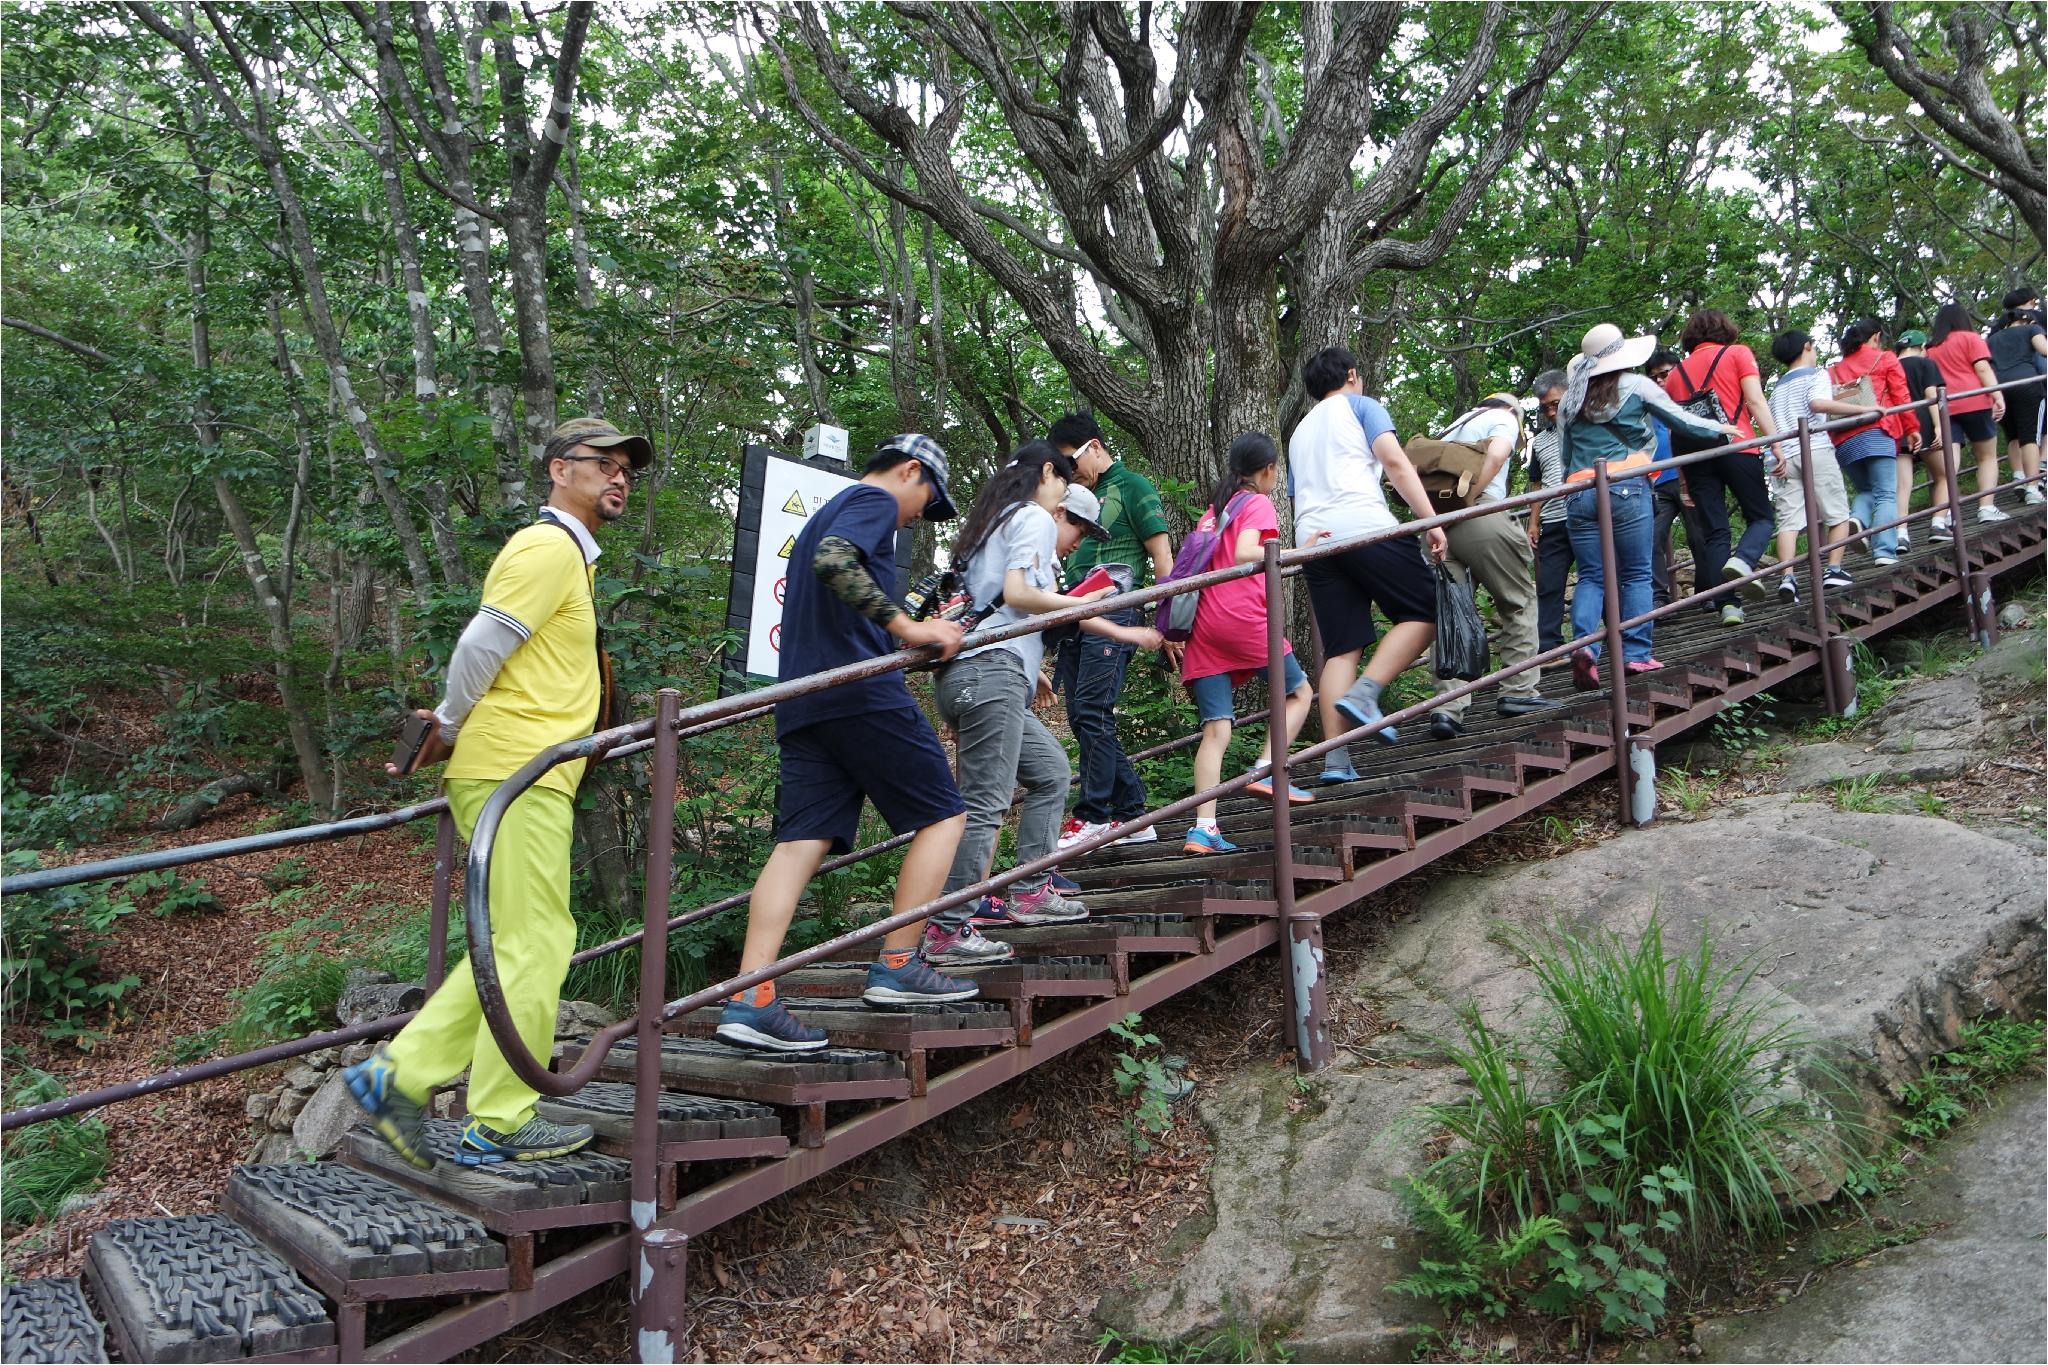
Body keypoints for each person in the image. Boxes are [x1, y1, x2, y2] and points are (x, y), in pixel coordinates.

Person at [345, 416, 654, 1168]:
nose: (618, 476)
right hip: (518, 771)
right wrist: (450, 723)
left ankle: (415, 1081)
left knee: (526, 939)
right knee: (534, 939)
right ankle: (489, 1113)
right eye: (602, 463)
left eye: (626, 469)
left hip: (530, 771)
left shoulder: (571, 559)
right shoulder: (547, 546)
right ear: (558, 469)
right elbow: (483, 641)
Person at [714, 436, 979, 1053]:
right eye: (926, 500)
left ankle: (751, 997)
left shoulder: (822, 513)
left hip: (804, 698)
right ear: (910, 471)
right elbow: (836, 562)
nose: (918, 515)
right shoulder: (871, 501)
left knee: (799, 843)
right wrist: (911, 627)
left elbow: (830, 572)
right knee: (945, 814)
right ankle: (899, 963)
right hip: (859, 692)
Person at [927, 450, 1153, 954]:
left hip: (975, 674)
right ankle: (948, 926)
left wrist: (1035, 670)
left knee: (1051, 772)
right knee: (986, 802)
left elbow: (1001, 605)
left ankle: (1029, 889)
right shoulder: (1030, 515)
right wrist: (1081, 603)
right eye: (1064, 480)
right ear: (1049, 476)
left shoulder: (993, 522)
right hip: (991, 675)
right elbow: (1020, 594)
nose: (1062, 494)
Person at [1289, 346, 1447, 777]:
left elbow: (1293, 495)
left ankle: (1336, 759)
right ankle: (1366, 694)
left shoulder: (1299, 433)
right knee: (1428, 608)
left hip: (1314, 542)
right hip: (1363, 525)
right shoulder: (1361, 406)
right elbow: (1395, 462)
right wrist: (1431, 521)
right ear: (1353, 375)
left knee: (1342, 649)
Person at [1559, 325, 1739, 687]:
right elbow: (1682, 421)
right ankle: (1636, 654)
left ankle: (1584, 648)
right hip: (1627, 486)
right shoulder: (1637, 386)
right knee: (1636, 573)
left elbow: (1565, 456)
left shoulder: (1569, 399)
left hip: (1579, 491)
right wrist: (1724, 429)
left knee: (1593, 575)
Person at [1179, 433, 1316, 852]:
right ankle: (1267, 771)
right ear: (1269, 469)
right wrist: (1296, 552)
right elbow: (1245, 553)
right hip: (1240, 618)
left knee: (1216, 729)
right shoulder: (1256, 502)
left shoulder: (1215, 509)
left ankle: (1204, 827)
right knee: (1300, 693)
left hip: (1202, 626)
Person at [1048, 414, 1174, 849]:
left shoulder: (1133, 486)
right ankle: (1133, 815)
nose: (1069, 472)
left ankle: (1095, 814)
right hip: (1073, 614)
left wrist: (1168, 621)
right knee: (1083, 717)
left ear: (1095, 447)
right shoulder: (1070, 498)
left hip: (1117, 609)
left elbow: (1162, 556)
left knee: (1092, 711)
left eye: (1071, 461)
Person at [1426, 393, 1559, 740]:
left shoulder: (1453, 427)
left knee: (1451, 610)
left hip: (1435, 524)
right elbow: (1498, 455)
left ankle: (1447, 707)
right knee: (1518, 600)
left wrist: (1442, 517)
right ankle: (1518, 691)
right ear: (1512, 410)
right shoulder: (1503, 418)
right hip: (1477, 511)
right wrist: (1467, 502)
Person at [1663, 310, 1780, 626]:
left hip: (1695, 456)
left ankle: (1727, 605)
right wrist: (1776, 442)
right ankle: (1744, 561)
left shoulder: (1675, 375)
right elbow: (1755, 402)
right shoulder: (1738, 353)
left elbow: (1675, 428)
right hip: (1737, 445)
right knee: (1761, 516)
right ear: (1725, 329)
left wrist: (1683, 479)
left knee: (1715, 533)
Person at [1766, 329, 1867, 601]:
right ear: (1807, 347)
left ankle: (1787, 577)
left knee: (1788, 521)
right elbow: (1818, 404)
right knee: (1837, 513)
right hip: (1816, 449)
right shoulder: (1817, 375)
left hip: (1784, 457)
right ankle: (1833, 569)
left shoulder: (1777, 388)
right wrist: (1863, 410)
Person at [1829, 319, 1916, 567]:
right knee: (1886, 494)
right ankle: (1884, 551)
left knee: (1866, 491)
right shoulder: (1886, 358)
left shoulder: (1833, 370)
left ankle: (1857, 518)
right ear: (1876, 337)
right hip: (1878, 432)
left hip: (1844, 439)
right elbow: (1901, 395)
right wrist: (1912, 428)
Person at [1925, 302, 2010, 531]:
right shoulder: (1971, 338)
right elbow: (1982, 368)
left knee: (1949, 468)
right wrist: (1997, 395)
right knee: (1987, 457)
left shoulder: (1931, 348)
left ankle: (1941, 517)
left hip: (1946, 408)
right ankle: (1986, 507)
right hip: (1975, 401)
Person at [1645, 348, 1709, 610]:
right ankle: (1659, 597)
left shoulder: (1691, 397)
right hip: (1657, 482)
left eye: (1664, 374)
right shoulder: (1645, 406)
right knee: (1651, 538)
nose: (1660, 381)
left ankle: (1708, 592)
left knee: (1699, 535)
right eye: (1654, 377)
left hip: (1690, 475)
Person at [1527, 370, 1575, 651]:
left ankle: (1610, 634)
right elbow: (1537, 483)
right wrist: (1534, 522)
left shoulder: (1585, 426)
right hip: (1554, 518)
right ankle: (1549, 647)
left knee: (1598, 576)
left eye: (1556, 403)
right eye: (1546, 406)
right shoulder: (1540, 441)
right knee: (1549, 583)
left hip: (1585, 514)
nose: (1551, 410)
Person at [1987, 288, 2047, 504]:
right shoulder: (2032, 330)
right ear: (2026, 319)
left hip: (2000, 389)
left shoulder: (1993, 339)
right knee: (2030, 437)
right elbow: (2045, 350)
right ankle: (2033, 487)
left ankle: (2019, 479)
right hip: (2028, 385)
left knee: (2013, 437)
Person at [1895, 329, 1942, 550]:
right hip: (1924, 422)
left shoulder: (1890, 365)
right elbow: (1931, 396)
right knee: (1943, 476)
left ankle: (1901, 534)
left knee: (1902, 486)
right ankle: (1939, 524)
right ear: (1922, 347)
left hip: (1898, 426)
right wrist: (1940, 425)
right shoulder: (1926, 364)